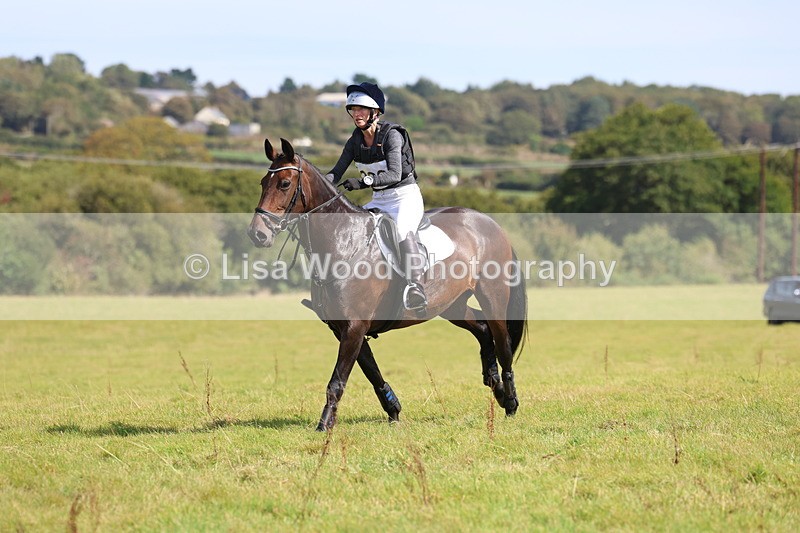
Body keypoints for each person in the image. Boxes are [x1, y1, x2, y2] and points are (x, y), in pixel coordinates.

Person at [325, 82, 427, 313]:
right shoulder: (355, 141)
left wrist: (362, 182)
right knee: (356, 229)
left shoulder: (392, 136)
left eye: (361, 109)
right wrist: (318, 184)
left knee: (401, 231)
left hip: (404, 197)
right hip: (379, 199)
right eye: (353, 110)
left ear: (375, 112)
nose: (356, 114)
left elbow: (394, 173)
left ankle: (416, 287)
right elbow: (337, 171)